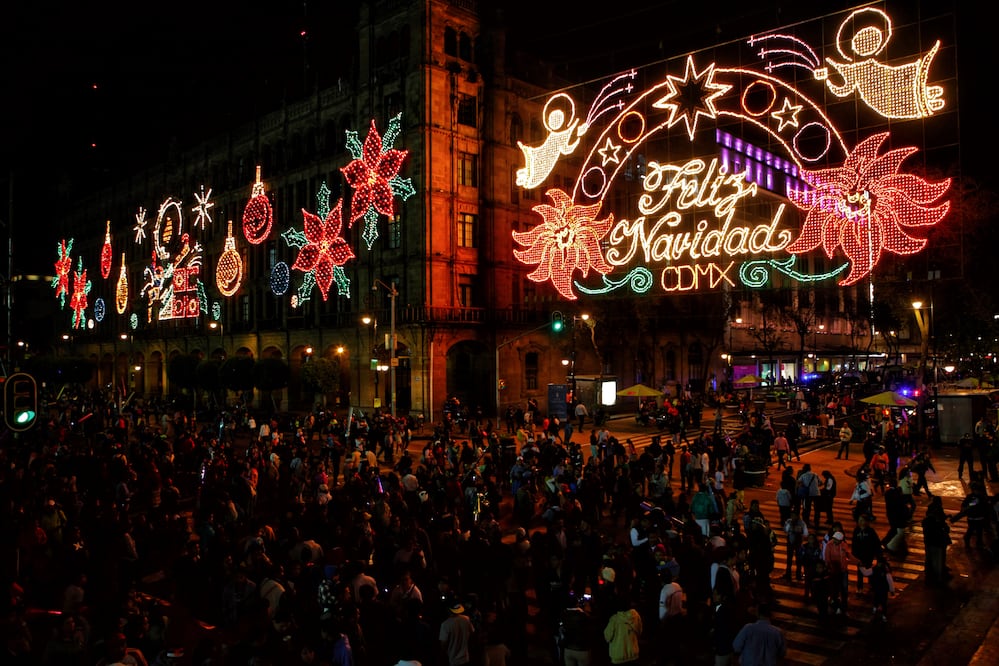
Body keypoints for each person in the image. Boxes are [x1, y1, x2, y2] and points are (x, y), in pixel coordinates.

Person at [922, 496, 952, 584]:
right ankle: (938, 577)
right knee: (938, 559)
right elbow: (943, 528)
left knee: (929, 558)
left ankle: (929, 574)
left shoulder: (927, 521)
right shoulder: (936, 521)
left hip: (929, 542)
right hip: (936, 542)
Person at [603, 600, 642, 666]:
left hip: (618, 657)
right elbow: (639, 632)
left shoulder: (614, 619)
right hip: (633, 655)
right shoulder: (636, 616)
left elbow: (607, 637)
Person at [439, 602, 475, 666]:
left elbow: (443, 644)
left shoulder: (445, 624)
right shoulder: (466, 619)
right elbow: (472, 633)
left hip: (453, 660)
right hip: (465, 658)